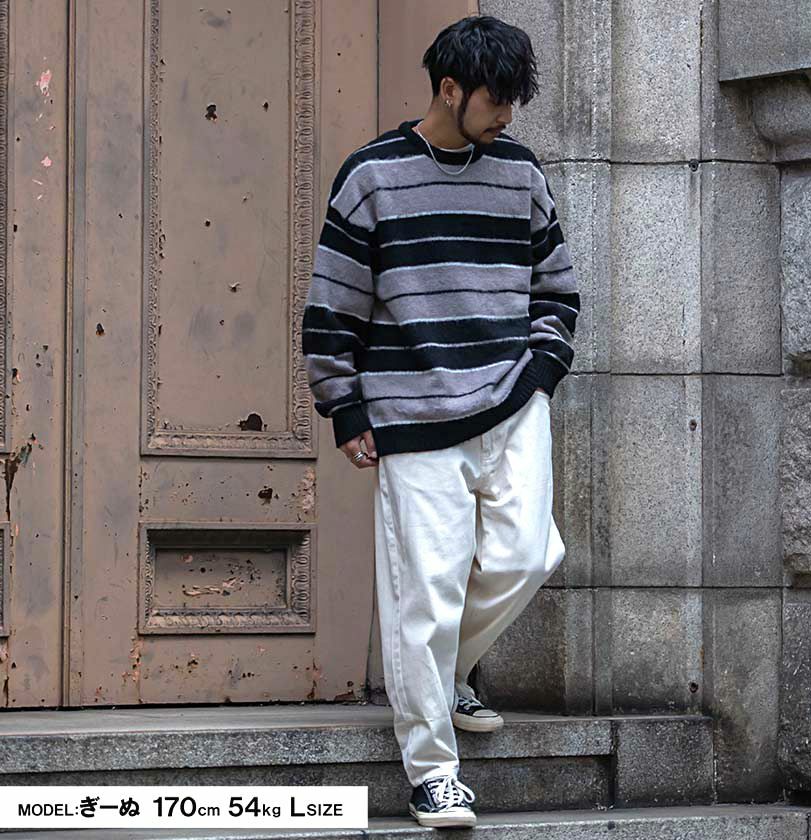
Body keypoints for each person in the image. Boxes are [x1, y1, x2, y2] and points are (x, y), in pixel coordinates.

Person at [302, 14, 579, 830]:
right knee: (425, 593)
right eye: (496, 100)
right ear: (450, 89)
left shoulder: (520, 172)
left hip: (512, 400)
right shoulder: (372, 177)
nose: (507, 117)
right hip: (411, 412)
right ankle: (432, 772)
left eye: (515, 101)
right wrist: (344, 405)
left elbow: (557, 288)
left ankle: (447, 671)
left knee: (530, 555)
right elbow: (332, 304)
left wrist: (541, 373)